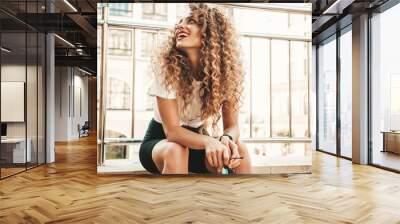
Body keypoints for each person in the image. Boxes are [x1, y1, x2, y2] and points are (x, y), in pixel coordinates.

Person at [139, 3, 251, 174]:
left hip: (199, 141)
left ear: (211, 34)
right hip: (161, 142)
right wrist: (209, 141)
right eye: (180, 22)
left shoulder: (226, 74)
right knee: (176, 150)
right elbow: (173, 132)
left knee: (239, 149)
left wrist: (226, 139)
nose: (180, 26)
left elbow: (233, 126)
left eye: (191, 21)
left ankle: (239, 199)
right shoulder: (168, 69)